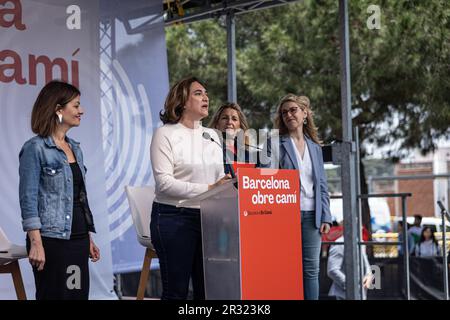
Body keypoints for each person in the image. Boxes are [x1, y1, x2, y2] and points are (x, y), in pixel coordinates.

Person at [150, 76, 231, 300]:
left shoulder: (212, 135)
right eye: (198, 93)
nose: (205, 97)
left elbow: (218, 180)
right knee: (176, 292)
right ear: (182, 101)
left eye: (206, 93)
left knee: (208, 292)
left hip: (209, 219)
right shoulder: (165, 134)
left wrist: (227, 186)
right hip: (174, 217)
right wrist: (209, 187)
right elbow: (164, 184)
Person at [19, 80, 100, 300]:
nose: (81, 110)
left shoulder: (75, 148)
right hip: (51, 240)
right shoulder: (34, 148)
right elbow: (28, 200)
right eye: (76, 105)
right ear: (58, 109)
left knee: (77, 296)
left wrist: (89, 238)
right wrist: (36, 243)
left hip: (79, 238)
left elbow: (77, 198)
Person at [262, 93, 332, 300]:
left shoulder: (315, 147)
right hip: (284, 216)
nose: (288, 115)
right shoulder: (274, 143)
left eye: (293, 110)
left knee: (311, 270)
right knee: (285, 269)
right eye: (284, 112)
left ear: (305, 113)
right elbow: (265, 179)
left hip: (312, 216)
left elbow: (322, 184)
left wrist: (326, 215)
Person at [208, 102, 256, 174]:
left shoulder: (247, 155)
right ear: (216, 124)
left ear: (240, 126)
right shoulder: (210, 149)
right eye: (224, 118)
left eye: (234, 119)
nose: (229, 122)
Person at [327, 236, 373, 300]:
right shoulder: (339, 243)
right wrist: (351, 285)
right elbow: (332, 270)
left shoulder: (360, 241)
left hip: (360, 293)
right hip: (343, 294)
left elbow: (365, 261)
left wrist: (368, 274)